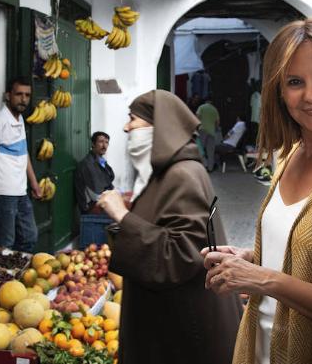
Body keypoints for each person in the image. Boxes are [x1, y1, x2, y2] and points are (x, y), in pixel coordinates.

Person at [202, 17, 312, 364]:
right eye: (295, 82)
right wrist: (249, 260)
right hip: (257, 350)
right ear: (279, 93)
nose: (311, 95)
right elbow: (298, 255)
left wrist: (263, 279)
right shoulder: (290, 154)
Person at [97, 90, 243, 364]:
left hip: (185, 330)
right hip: (169, 321)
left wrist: (121, 215)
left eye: (133, 119)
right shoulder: (165, 174)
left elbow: (181, 253)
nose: (126, 127)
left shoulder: (182, 175)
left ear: (158, 126)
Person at [0, 76, 41, 253]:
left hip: (20, 191)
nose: (23, 99)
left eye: (27, 95)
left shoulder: (18, 119)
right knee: (5, 243)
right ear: (8, 96)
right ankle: (5, 279)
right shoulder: (0, 120)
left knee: (29, 237)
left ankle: (17, 276)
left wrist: (34, 183)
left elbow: (23, 152)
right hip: (2, 193)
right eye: (19, 94)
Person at [74, 131, 115, 212]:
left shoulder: (101, 162)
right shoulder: (88, 164)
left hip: (99, 202)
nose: (104, 145)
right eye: (101, 142)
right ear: (93, 144)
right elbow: (96, 194)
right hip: (90, 206)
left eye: (106, 142)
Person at [196, 99, 220, 172]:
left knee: (200, 149)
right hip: (211, 132)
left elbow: (197, 116)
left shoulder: (201, 107)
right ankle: (210, 168)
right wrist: (215, 128)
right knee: (210, 151)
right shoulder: (214, 109)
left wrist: (197, 126)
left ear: (205, 101)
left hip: (202, 130)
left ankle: (204, 165)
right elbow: (218, 122)